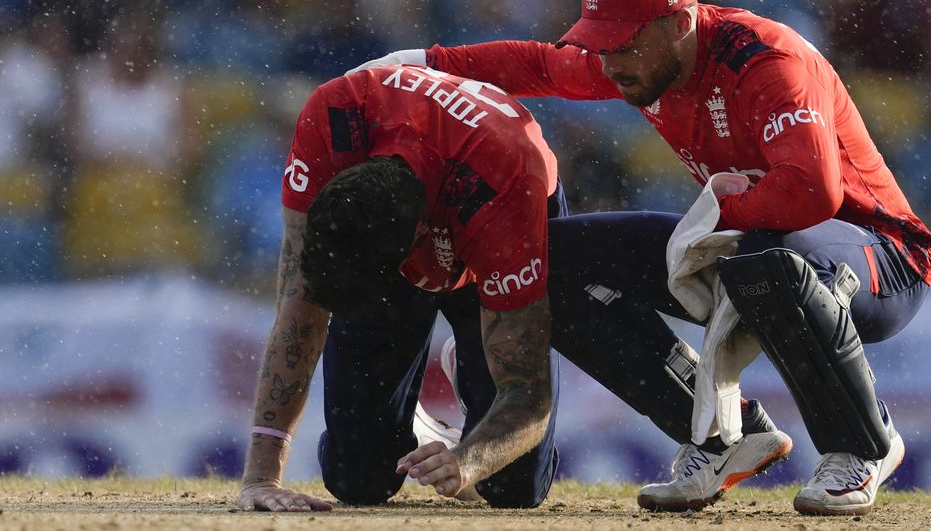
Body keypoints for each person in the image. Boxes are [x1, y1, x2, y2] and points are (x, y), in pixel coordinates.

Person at [351, 0, 931, 516]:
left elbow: (813, 190)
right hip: (749, 242)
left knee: (768, 259)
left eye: (623, 44)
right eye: (600, 44)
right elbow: (538, 64)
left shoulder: (766, 60)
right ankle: (718, 440)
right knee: (541, 261)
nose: (609, 62)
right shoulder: (644, 60)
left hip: (883, 261)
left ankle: (865, 445)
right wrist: (416, 65)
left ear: (679, 23)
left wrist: (713, 217)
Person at [236, 63, 760, 512]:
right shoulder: (331, 124)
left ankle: (464, 405)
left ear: (414, 247)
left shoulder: (504, 195)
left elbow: (528, 397)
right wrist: (261, 478)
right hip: (414, 207)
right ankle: (421, 425)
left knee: (513, 488)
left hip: (492, 206)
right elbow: (299, 308)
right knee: (357, 479)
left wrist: (467, 461)